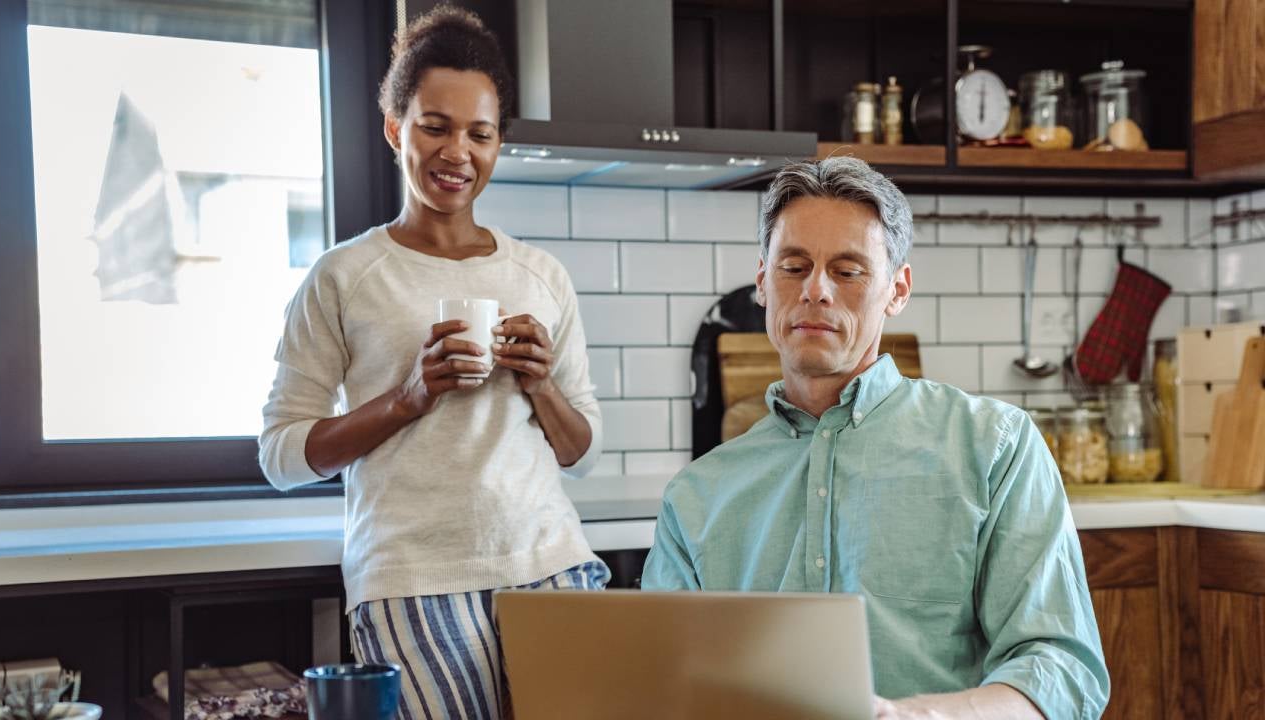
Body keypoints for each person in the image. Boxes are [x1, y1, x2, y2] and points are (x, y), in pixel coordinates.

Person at [641, 157, 1109, 719]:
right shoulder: (696, 495)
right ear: (763, 281)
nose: (815, 290)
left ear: (898, 289)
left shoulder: (994, 446)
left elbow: (1061, 668)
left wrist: (915, 717)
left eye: (848, 270)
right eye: (794, 266)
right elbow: (662, 684)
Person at [259, 7, 608, 718]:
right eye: (435, 127)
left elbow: (583, 452)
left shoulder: (541, 275)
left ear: (498, 143)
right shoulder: (344, 276)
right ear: (396, 128)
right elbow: (282, 455)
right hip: (411, 580)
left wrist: (541, 384)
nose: (459, 152)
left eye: (480, 134)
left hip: (551, 565)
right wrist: (406, 399)